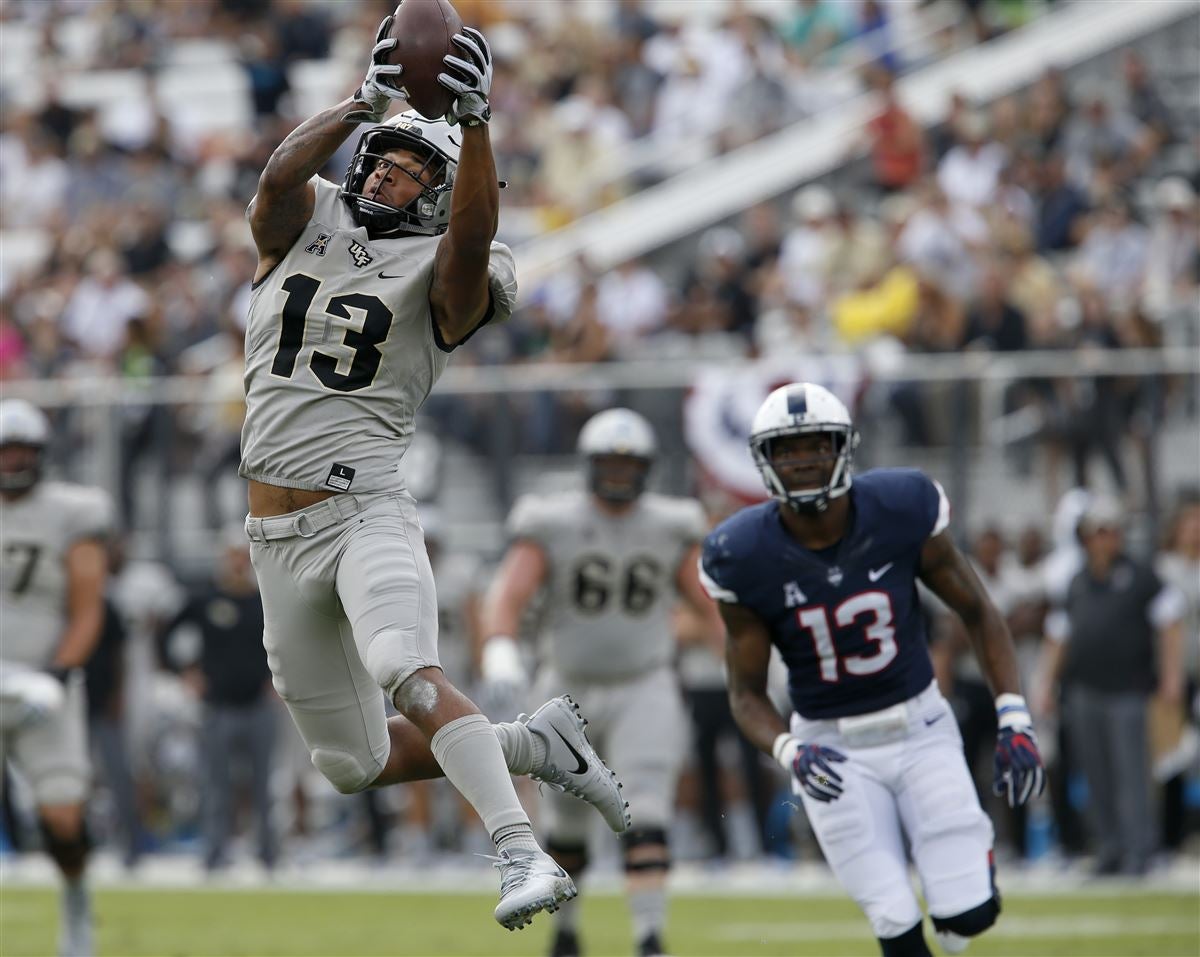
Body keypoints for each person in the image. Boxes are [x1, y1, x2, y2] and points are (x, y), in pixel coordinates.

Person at [237, 15, 627, 930]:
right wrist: (361, 103)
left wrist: (479, 119)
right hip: (271, 533)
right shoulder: (307, 217)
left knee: (404, 668)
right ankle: (535, 742)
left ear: (444, 190)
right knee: (349, 763)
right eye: (380, 159)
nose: (381, 174)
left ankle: (519, 849)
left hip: (362, 507)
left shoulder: (456, 264)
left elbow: (469, 239)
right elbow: (277, 177)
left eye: (411, 169)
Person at [699, 383, 1045, 957]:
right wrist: (791, 752)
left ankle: (965, 883)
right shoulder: (742, 552)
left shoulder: (900, 506)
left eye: (815, 445)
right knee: (896, 924)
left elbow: (978, 611)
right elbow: (745, 694)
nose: (803, 459)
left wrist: (1014, 717)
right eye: (787, 450)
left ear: (845, 449)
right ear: (763, 460)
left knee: (971, 915)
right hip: (831, 750)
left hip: (919, 727)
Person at [480, 407, 723, 957]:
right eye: (608, 463)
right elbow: (508, 595)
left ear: (647, 467)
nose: (618, 473)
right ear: (588, 465)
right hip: (566, 686)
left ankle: (649, 937)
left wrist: (744, 671)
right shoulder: (552, 520)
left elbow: (708, 606)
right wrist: (499, 652)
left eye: (628, 463)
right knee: (565, 821)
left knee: (647, 806)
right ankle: (566, 932)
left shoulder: (671, 523)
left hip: (645, 683)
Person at [0, 399, 111, 957]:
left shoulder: (72, 511)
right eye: (5, 450)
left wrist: (61, 671)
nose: (12, 460)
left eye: (21, 450)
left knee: (63, 816)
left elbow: (88, 606)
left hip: (44, 683)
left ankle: (75, 904)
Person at [1036, 495, 1185, 875]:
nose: (1106, 539)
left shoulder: (1140, 575)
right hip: (1084, 689)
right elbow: (1059, 635)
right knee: (1096, 774)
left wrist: (1171, 676)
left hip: (1129, 689)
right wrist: (1045, 684)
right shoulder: (1077, 582)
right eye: (1099, 532)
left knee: (1131, 774)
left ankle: (1140, 850)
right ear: (1087, 538)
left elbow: (1170, 624)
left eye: (1112, 531)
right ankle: (1109, 847)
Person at [159, 531, 277, 873]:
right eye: (233, 555)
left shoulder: (263, 600)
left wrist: (277, 681)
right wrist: (185, 673)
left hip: (258, 703)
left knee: (262, 784)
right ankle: (215, 853)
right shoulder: (206, 599)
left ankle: (268, 854)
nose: (238, 562)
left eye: (243, 555)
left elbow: (286, 643)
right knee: (216, 784)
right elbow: (165, 632)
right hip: (218, 705)